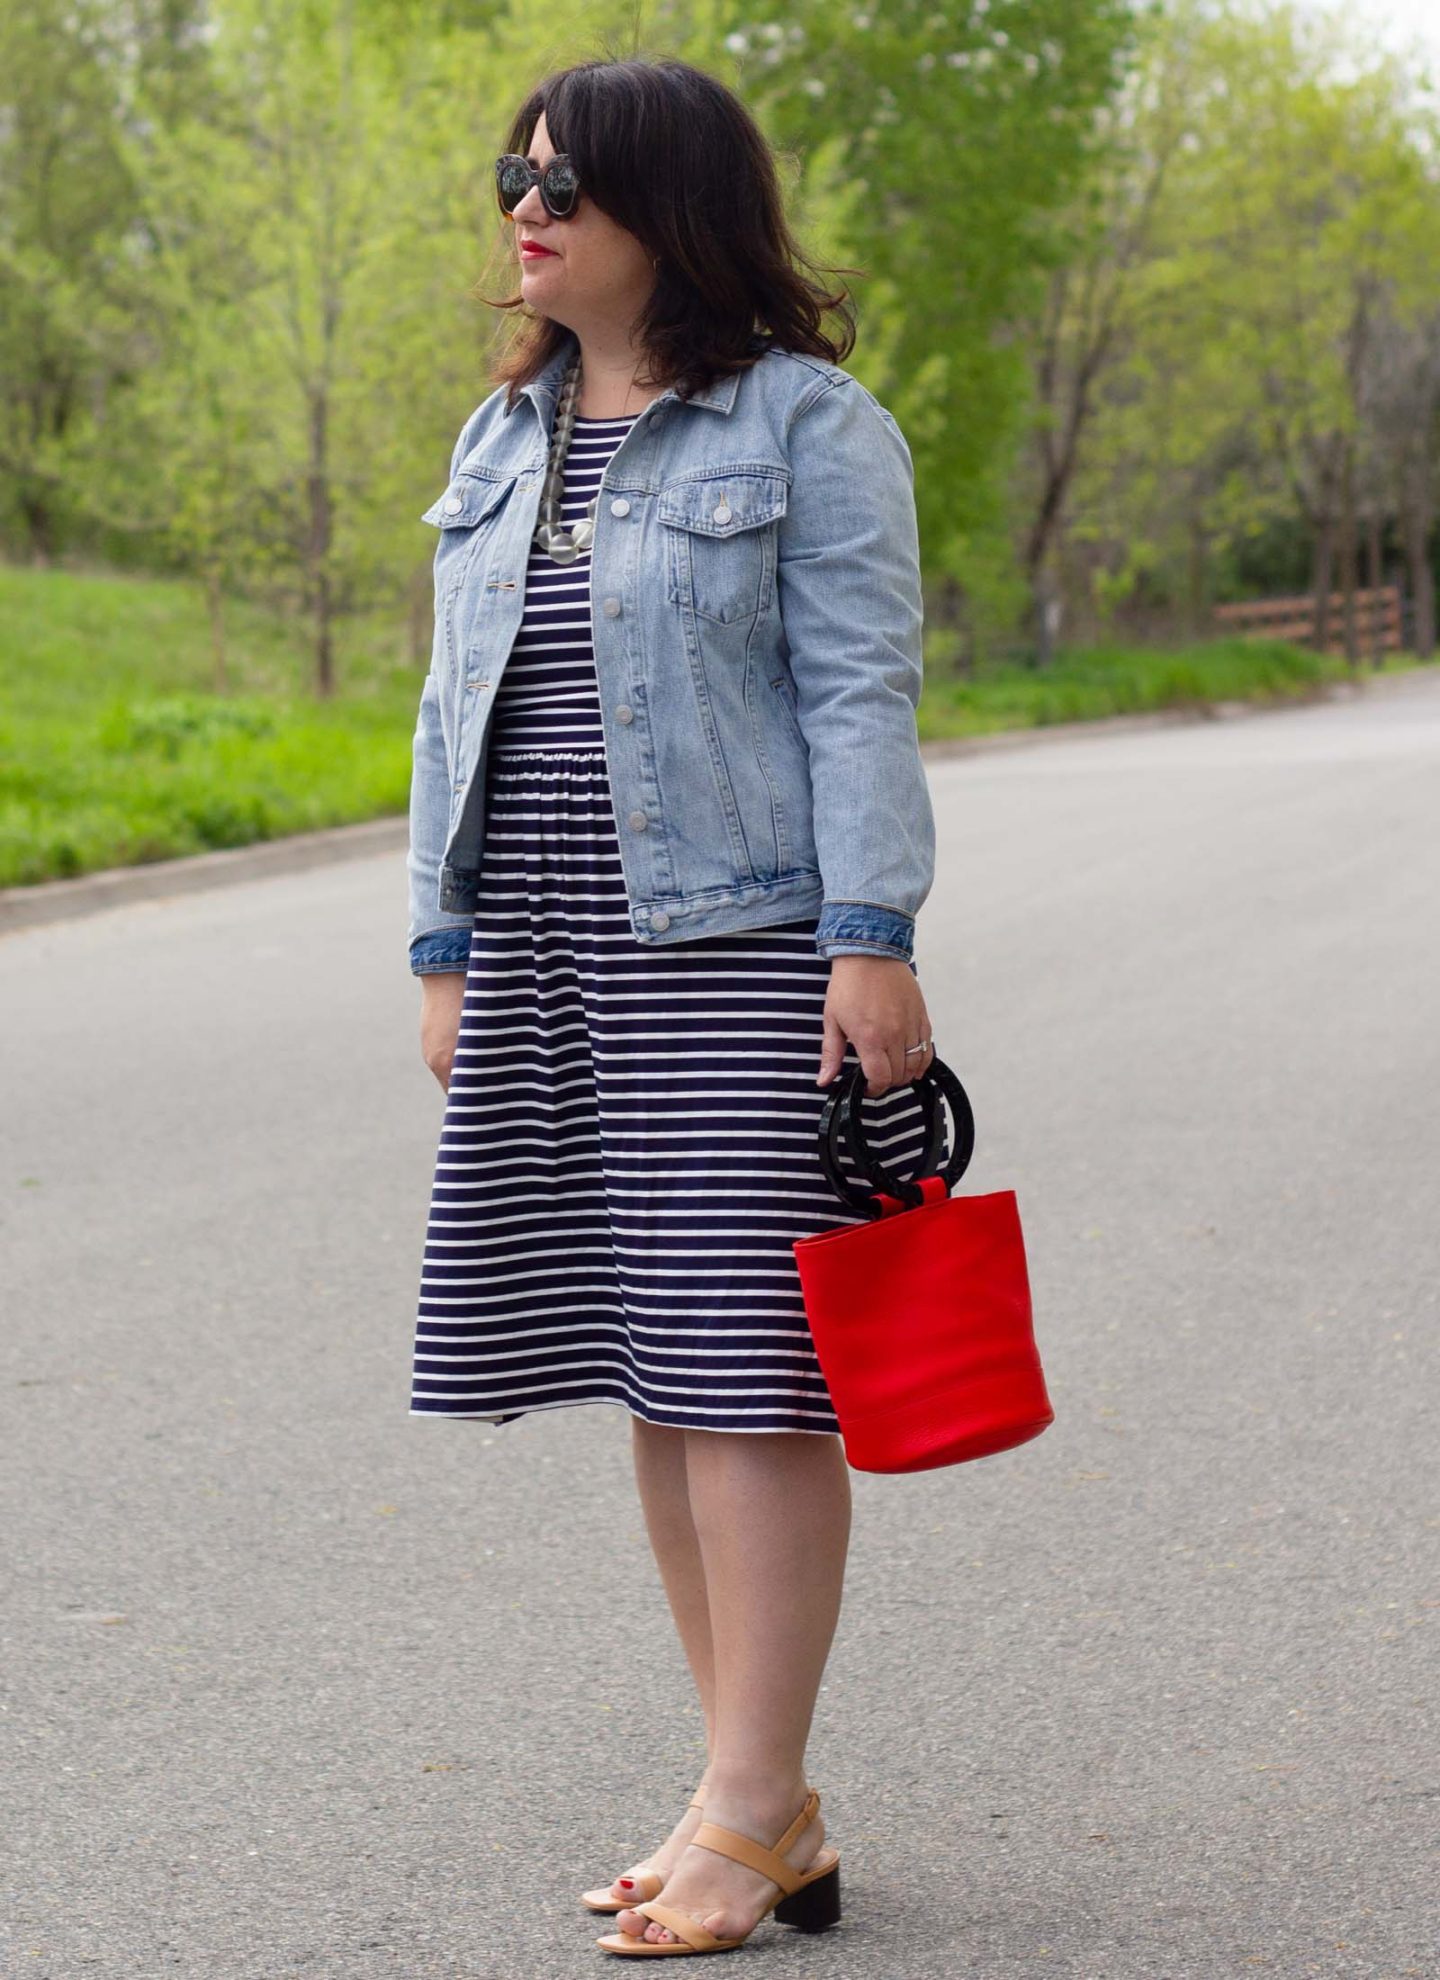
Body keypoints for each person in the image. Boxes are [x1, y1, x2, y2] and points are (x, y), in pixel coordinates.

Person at [405, 54, 937, 1959]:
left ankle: (739, 1805)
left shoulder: (806, 424)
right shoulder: (503, 438)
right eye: (511, 177)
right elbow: (446, 715)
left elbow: (858, 691)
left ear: (672, 210)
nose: (523, 210)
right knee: (651, 1370)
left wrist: (869, 935)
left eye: (567, 183)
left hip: (733, 952)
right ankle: (760, 1800)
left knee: (748, 1382)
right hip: (546, 947)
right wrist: (440, 943)